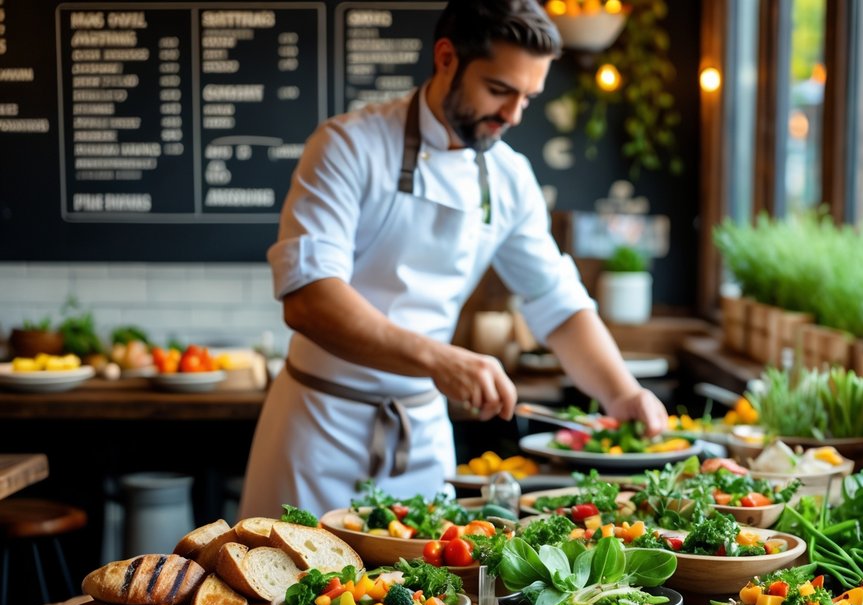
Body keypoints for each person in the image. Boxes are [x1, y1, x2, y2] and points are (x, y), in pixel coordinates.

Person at [239, 0, 667, 519]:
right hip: (320, 434)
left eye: (527, 99)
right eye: (499, 90)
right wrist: (441, 360)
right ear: (446, 58)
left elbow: (557, 302)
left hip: (423, 442)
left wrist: (623, 395)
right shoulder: (347, 147)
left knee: (425, 597)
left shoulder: (509, 177)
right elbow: (309, 301)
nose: (512, 115)